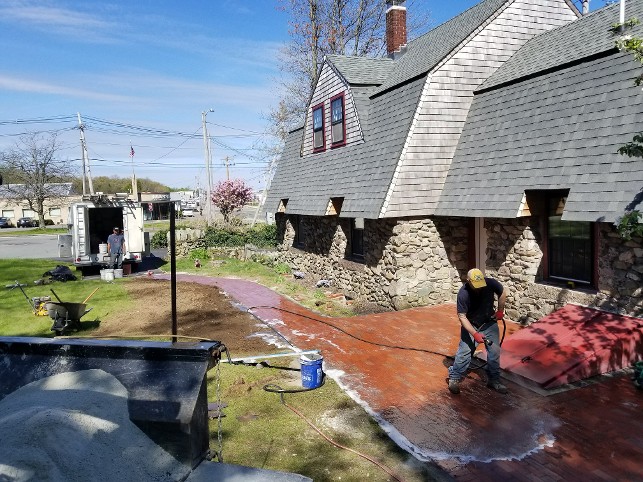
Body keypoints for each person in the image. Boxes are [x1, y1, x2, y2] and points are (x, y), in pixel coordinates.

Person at [447, 268, 508, 395]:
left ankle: (494, 380)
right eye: (476, 286)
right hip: (471, 324)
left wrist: (500, 311)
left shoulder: (490, 283)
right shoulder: (463, 293)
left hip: (489, 322)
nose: (479, 288)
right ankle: (454, 378)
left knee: (494, 353)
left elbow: (503, 292)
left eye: (481, 285)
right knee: (464, 353)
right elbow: (462, 317)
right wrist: (474, 334)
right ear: (468, 281)